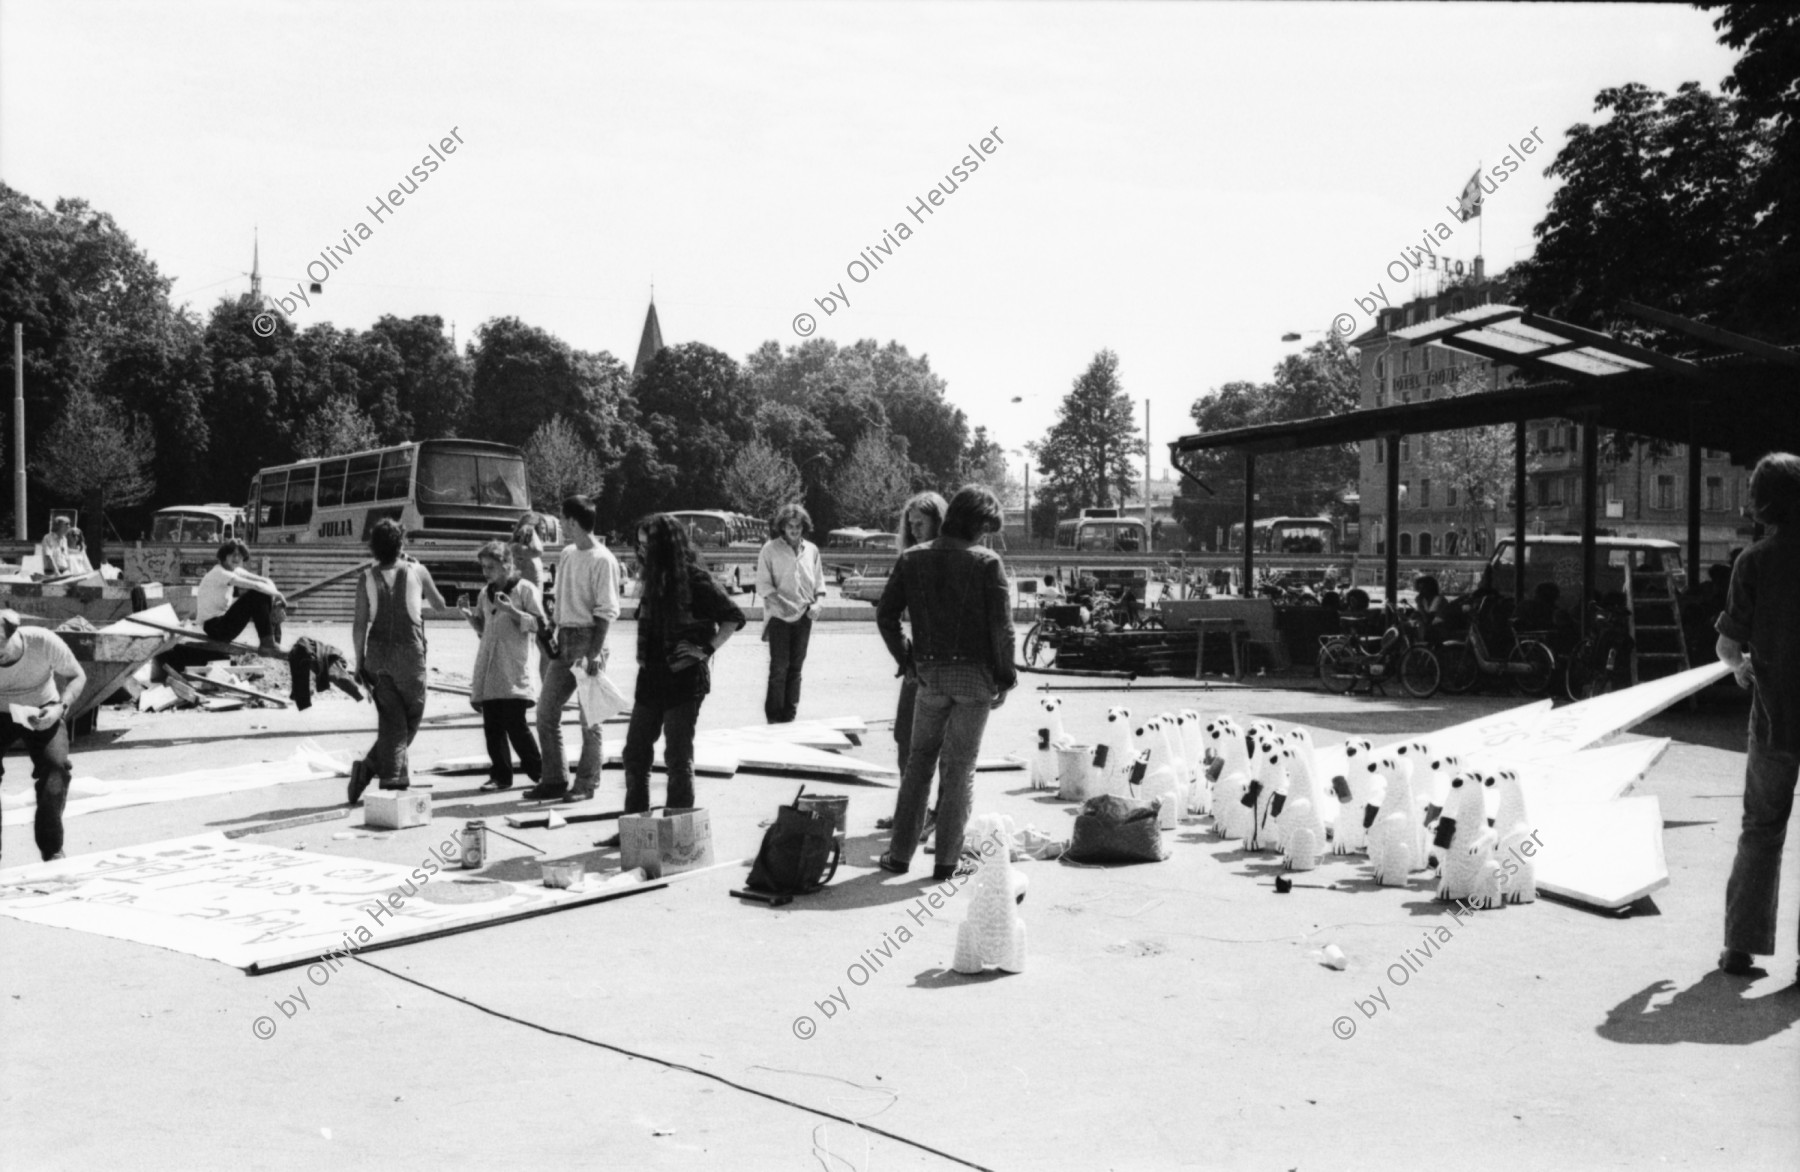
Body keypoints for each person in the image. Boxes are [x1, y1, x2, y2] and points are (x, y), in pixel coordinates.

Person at [875, 486, 1017, 881]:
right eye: (986, 528)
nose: (986, 537)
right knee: (959, 768)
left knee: (919, 763)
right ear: (977, 523)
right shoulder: (987, 562)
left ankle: (899, 856)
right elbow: (1001, 630)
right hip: (975, 680)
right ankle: (947, 863)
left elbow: (886, 616)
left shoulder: (912, 558)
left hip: (930, 676)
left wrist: (908, 660)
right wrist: (1005, 676)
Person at [1714, 452, 1800, 984]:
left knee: (1761, 830)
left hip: (1774, 716)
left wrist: (1744, 668)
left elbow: (1727, 645)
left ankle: (1739, 949)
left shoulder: (1754, 561)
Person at [607, 514, 744, 837]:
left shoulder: (695, 578)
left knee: (677, 758)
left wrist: (705, 650)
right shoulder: (653, 577)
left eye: (648, 547)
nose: (642, 554)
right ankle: (636, 829)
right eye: (639, 547)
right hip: (651, 678)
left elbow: (733, 617)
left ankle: (678, 832)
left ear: (666, 547)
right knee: (635, 753)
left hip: (684, 679)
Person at [528, 495, 621, 803]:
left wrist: (594, 653)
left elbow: (606, 610)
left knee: (589, 719)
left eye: (563, 520)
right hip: (565, 636)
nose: (561, 525)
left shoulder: (602, 559)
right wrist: (553, 630)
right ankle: (554, 779)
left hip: (588, 639)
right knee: (546, 711)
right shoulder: (568, 553)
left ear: (572, 521)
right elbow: (561, 595)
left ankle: (586, 783)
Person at [347, 519, 446, 804]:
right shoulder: (417, 570)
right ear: (401, 544)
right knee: (411, 717)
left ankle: (392, 776)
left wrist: (359, 662)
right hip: (409, 656)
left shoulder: (365, 577)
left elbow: (359, 625)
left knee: (392, 720)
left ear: (374, 549)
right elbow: (439, 604)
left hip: (377, 657)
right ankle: (378, 774)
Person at [874, 492, 949, 836]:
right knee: (906, 739)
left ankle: (937, 815)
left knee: (944, 747)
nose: (915, 528)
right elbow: (886, 615)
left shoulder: (950, 558)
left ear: (939, 520)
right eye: (911, 523)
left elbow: (886, 614)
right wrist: (905, 658)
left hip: (941, 665)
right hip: (921, 662)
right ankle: (910, 810)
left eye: (922, 521)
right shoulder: (911, 559)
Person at [0, 610, 86, 863]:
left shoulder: (43, 641)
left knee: (56, 770)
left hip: (42, 710)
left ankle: (52, 849)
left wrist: (60, 707)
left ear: (11, 633)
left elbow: (77, 676)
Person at [462, 541, 546, 793]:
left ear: (507, 565)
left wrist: (511, 610)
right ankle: (500, 775)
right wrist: (469, 616)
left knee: (515, 724)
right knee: (493, 726)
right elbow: (484, 629)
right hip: (490, 667)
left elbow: (539, 625)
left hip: (514, 668)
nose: (486, 572)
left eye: (491, 567)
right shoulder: (484, 593)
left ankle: (539, 772)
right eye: (483, 567)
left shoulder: (524, 590)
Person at [755, 502, 824, 724]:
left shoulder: (812, 550)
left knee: (796, 669)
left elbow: (820, 586)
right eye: (789, 525)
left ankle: (789, 716)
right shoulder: (770, 549)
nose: (794, 529)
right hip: (779, 617)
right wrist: (782, 603)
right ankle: (774, 718)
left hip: (804, 616)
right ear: (782, 527)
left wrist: (817, 605)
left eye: (798, 525)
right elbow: (763, 585)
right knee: (779, 669)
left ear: (804, 526)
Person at [197, 539, 286, 655]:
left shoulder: (234, 570)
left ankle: (272, 642)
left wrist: (275, 601)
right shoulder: (219, 573)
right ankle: (268, 644)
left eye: (240, 555)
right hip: (215, 628)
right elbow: (256, 586)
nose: (237, 558)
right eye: (233, 554)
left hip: (221, 624)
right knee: (256, 594)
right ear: (224, 555)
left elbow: (265, 580)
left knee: (264, 592)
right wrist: (278, 595)